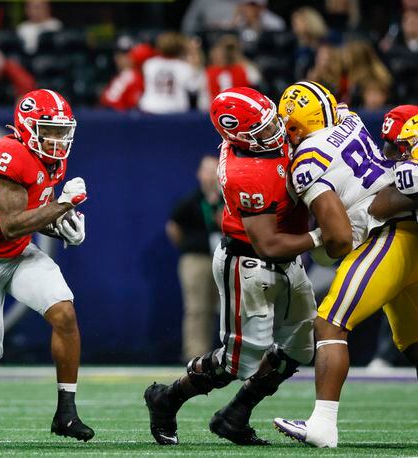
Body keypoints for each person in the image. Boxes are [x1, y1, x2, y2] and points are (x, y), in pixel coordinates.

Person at [145, 87, 320, 446]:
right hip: (250, 261)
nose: (275, 132)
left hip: (287, 258)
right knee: (237, 363)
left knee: (300, 349)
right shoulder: (249, 172)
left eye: (273, 121)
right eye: (262, 130)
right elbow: (268, 242)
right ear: (238, 136)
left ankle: (235, 415)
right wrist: (323, 237)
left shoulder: (258, 140)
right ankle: (167, 398)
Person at [275, 100, 418, 448]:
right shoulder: (347, 118)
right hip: (405, 237)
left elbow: (395, 197)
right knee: (414, 342)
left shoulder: (315, 152)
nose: (388, 153)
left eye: (398, 147)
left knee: (330, 323)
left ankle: (323, 426)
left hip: (391, 237)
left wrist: (358, 217)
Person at [0, 89, 94, 442]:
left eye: (63, 131)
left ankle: (66, 413)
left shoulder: (52, 161)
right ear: (27, 126)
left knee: (64, 312)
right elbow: (11, 224)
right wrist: (63, 204)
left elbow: (33, 216)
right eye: (49, 130)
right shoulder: (8, 154)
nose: (58, 139)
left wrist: (64, 225)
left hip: (19, 255)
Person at [166, 156, 222, 361]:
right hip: (196, 259)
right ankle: (195, 356)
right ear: (199, 174)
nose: (210, 175)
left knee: (232, 307)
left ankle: (237, 354)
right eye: (206, 170)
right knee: (197, 308)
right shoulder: (190, 201)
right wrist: (187, 246)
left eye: (214, 169)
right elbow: (173, 227)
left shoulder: (229, 199)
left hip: (225, 258)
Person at [138, 32, 205, 114]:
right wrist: (196, 66)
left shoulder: (150, 64)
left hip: (150, 108)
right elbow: (194, 88)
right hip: (175, 110)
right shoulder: (183, 67)